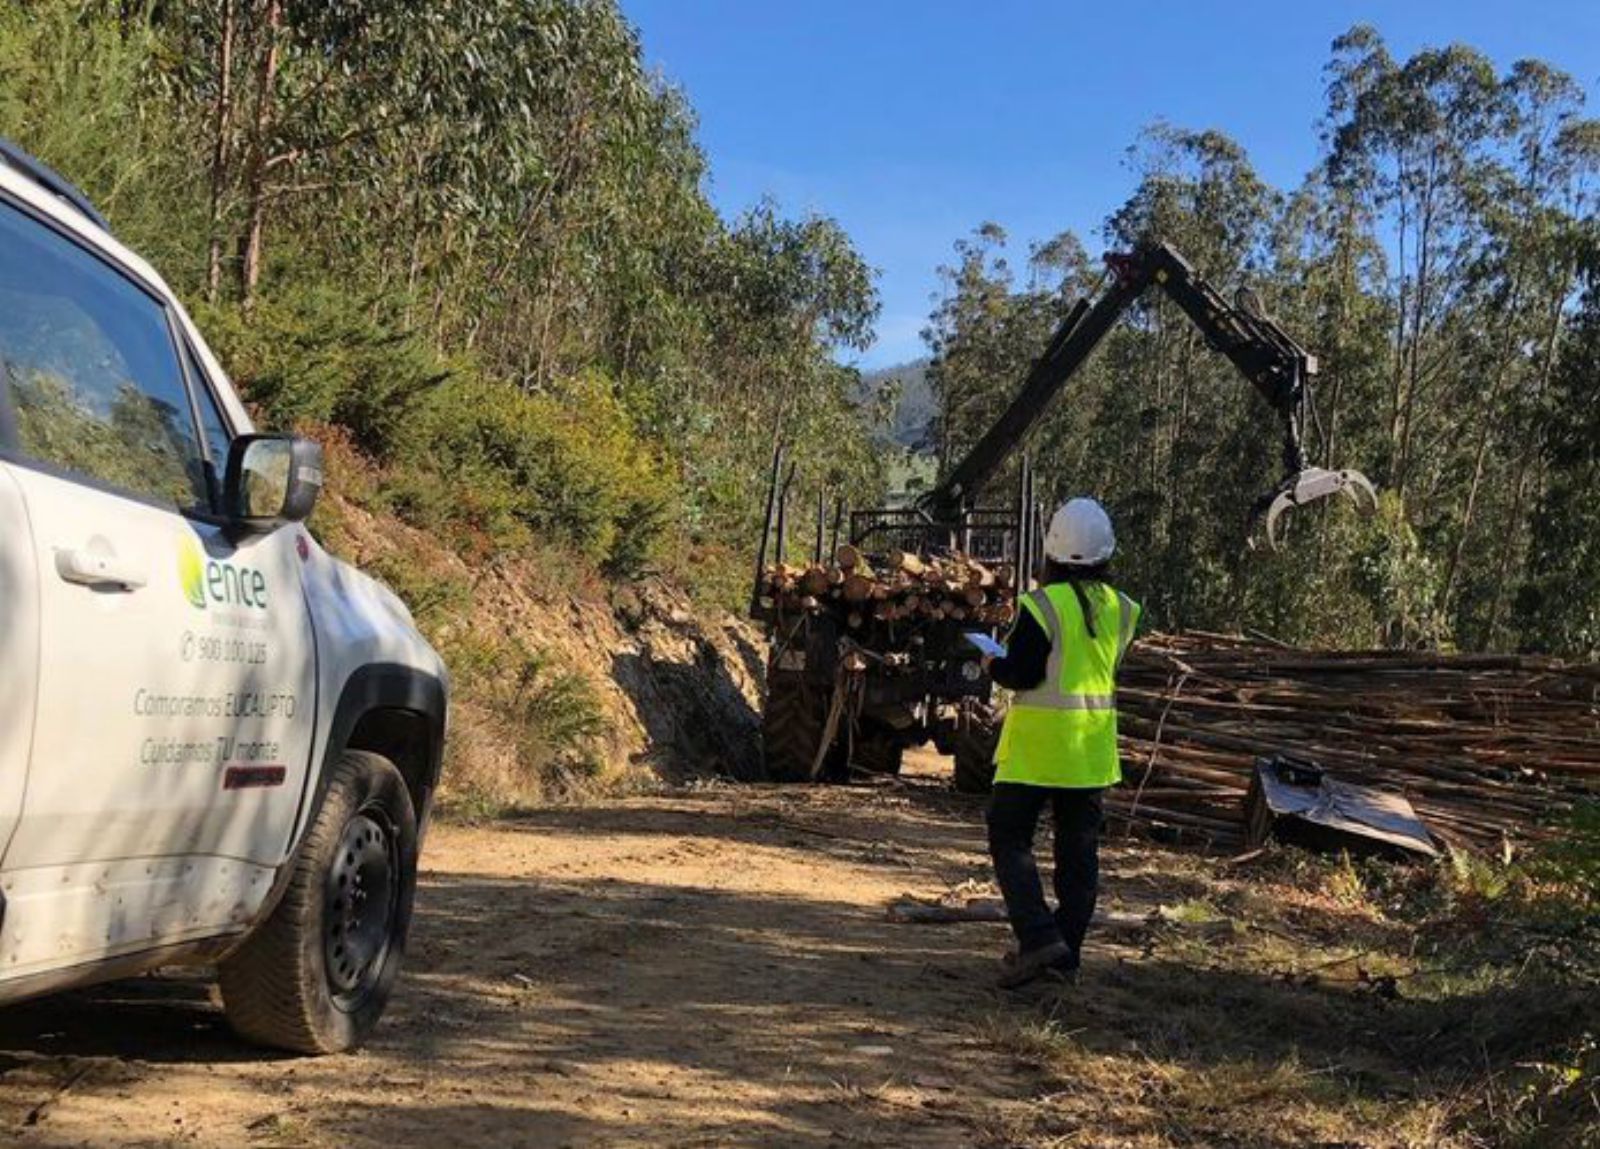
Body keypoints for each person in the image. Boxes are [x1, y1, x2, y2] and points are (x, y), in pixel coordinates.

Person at [982, 497, 1140, 988]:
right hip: (1092, 754)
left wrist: (993, 663)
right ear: (1106, 553)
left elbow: (1022, 674)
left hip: (1036, 751)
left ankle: (1038, 937)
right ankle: (1065, 955)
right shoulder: (1123, 609)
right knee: (1079, 858)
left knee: (1009, 837)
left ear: (1051, 552)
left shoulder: (1041, 605)